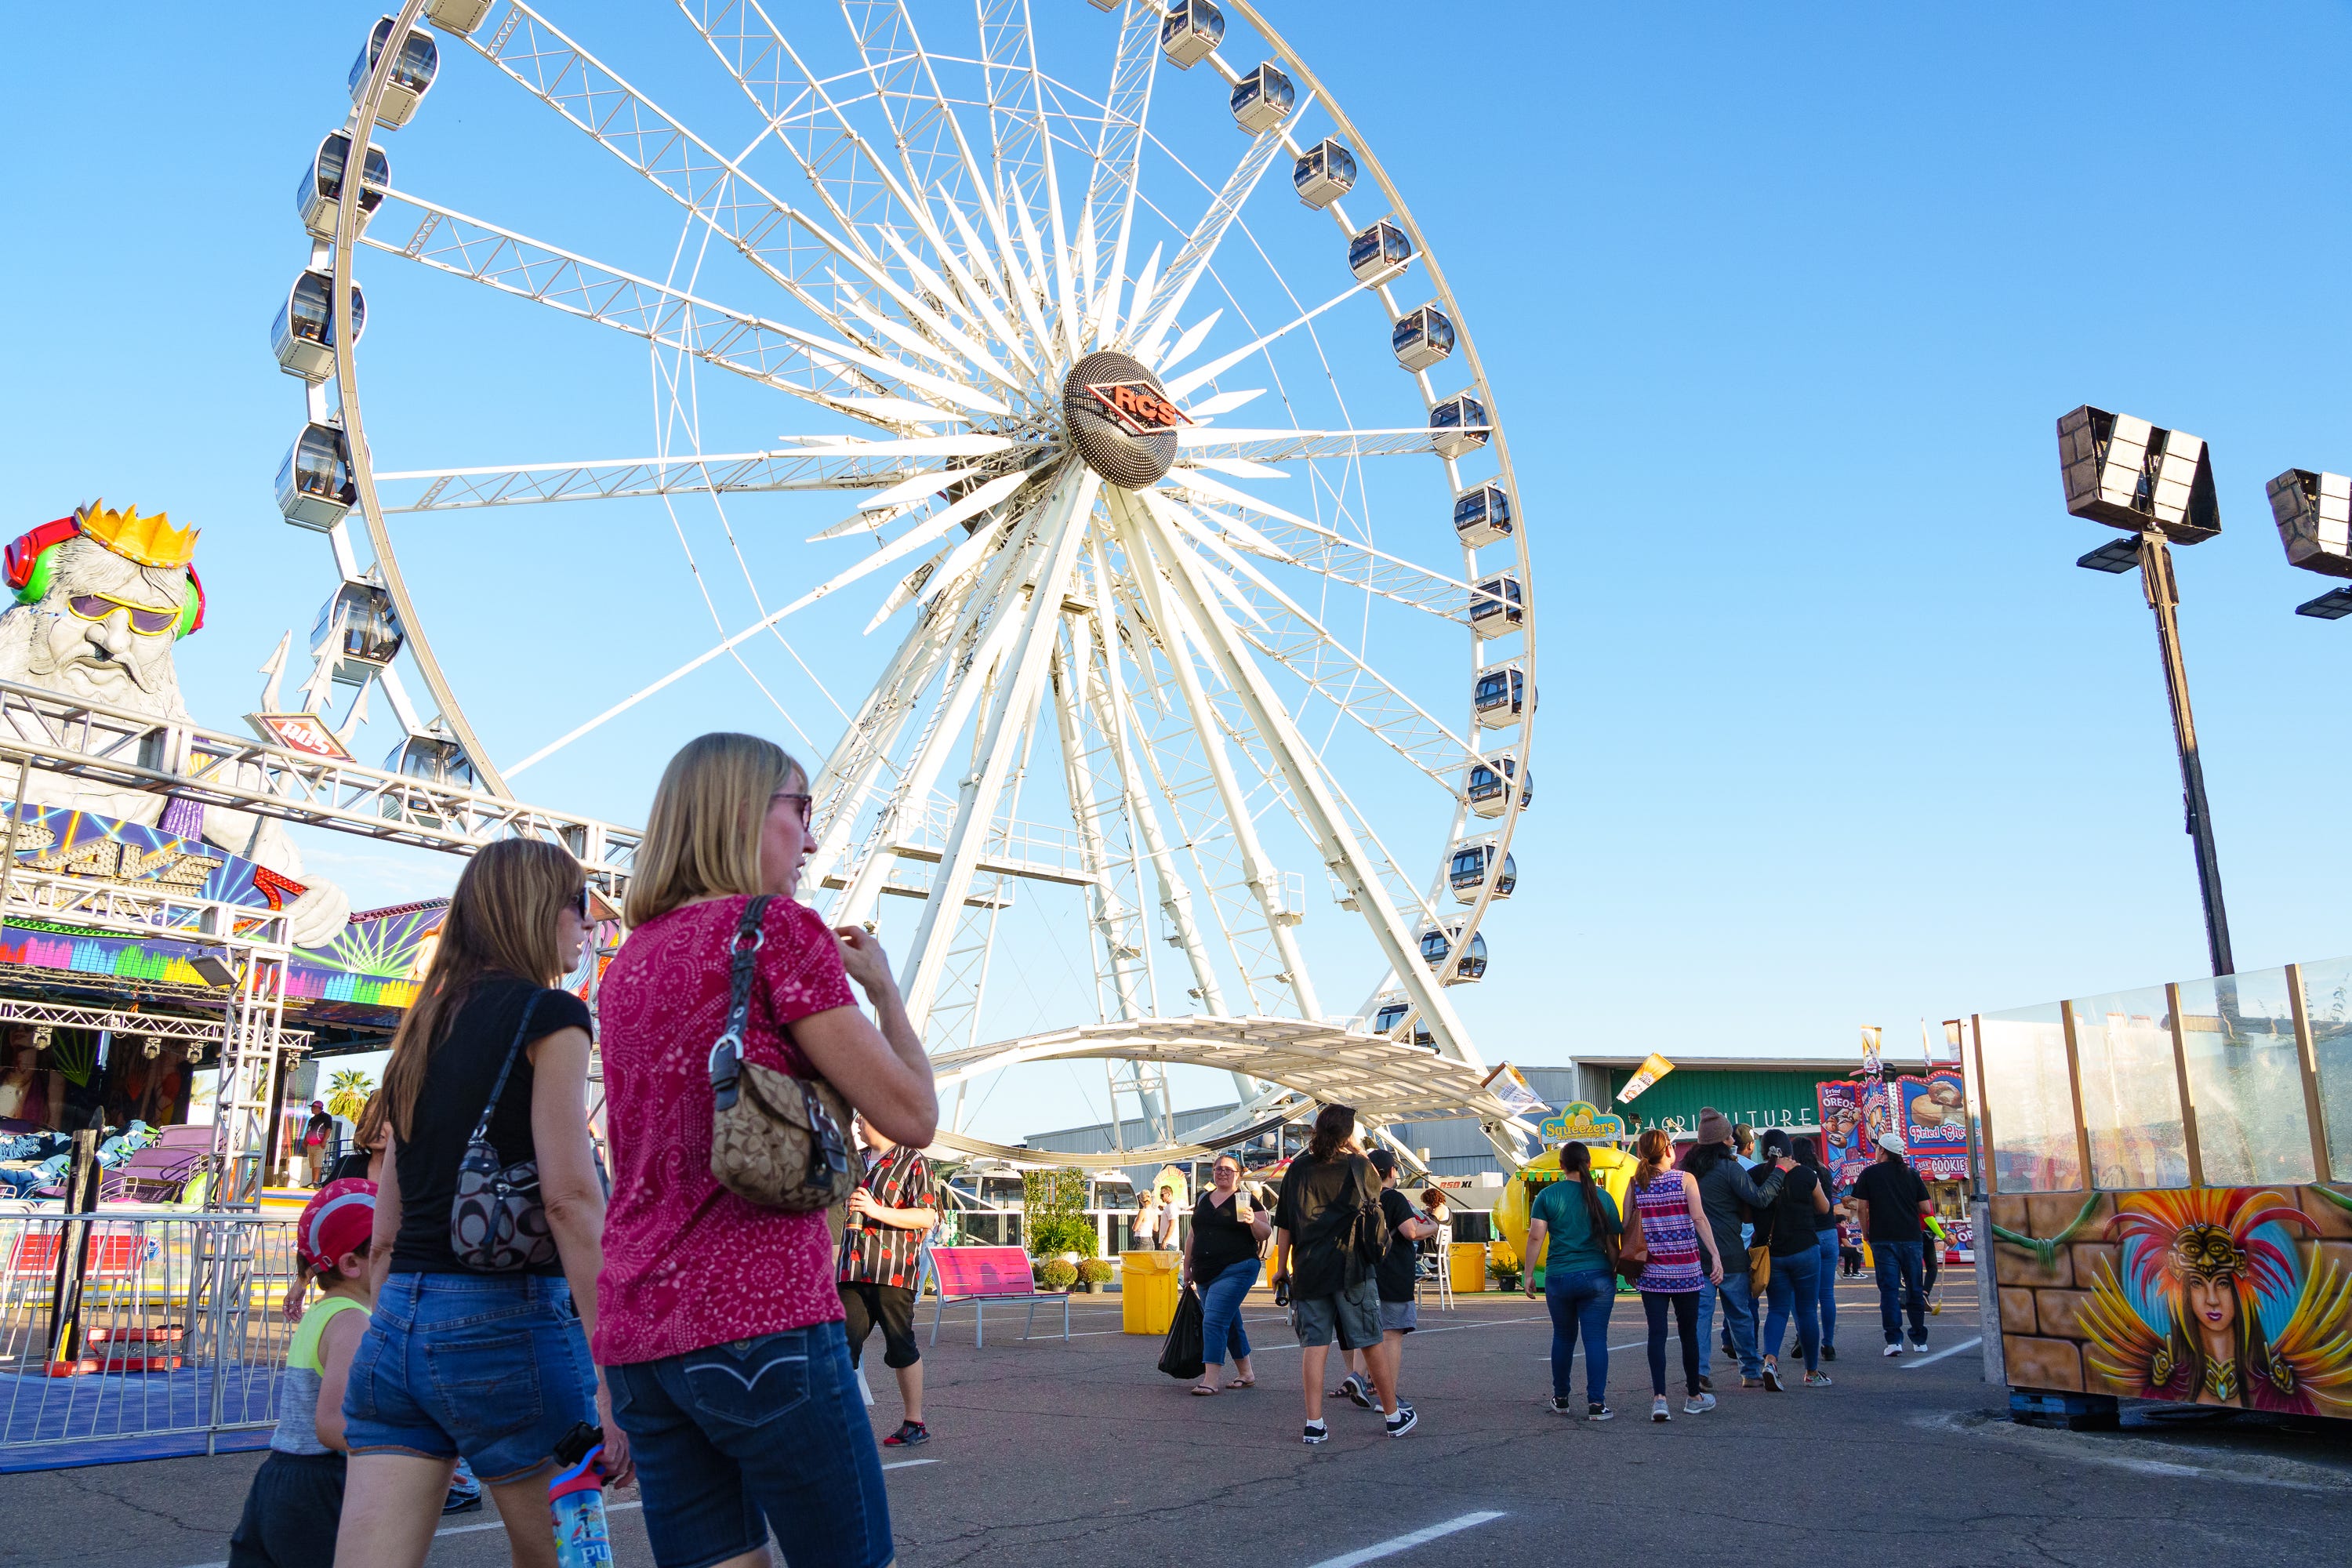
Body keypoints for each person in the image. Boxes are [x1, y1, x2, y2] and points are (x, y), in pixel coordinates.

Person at [594, 733, 938, 1568]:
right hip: (763, 1318)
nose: (812, 839)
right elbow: (912, 1114)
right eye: (802, 809)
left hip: (643, 1330)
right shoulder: (774, 932)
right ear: (744, 812)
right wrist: (884, 989)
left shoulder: (628, 961)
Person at [336, 840, 628, 1568]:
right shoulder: (551, 1015)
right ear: (539, 912)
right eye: (579, 906)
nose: (586, 927)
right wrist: (609, 1370)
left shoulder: (424, 1025)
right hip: (510, 1326)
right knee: (568, 1560)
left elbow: (386, 1227)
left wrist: (403, 1310)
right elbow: (567, 1197)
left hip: (397, 1322)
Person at [230, 1180, 376, 1568]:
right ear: (351, 1263)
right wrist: (408, 1450)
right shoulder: (352, 1323)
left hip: (279, 1478)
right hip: (318, 1485)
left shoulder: (323, 1311)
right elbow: (331, 1425)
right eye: (393, 1247)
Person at [1272, 1104, 1413, 1442]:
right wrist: (1358, 1151)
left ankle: (1314, 1423)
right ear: (1348, 1134)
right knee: (1370, 1341)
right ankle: (1393, 1415)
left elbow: (1286, 1225)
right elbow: (1374, 1200)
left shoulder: (1298, 1169)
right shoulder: (1359, 1165)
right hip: (1352, 1268)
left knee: (1315, 1345)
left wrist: (1281, 1269)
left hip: (1308, 1270)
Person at [839, 1111, 938, 1449]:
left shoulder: (913, 1160)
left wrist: (876, 1210)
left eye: (862, 1117)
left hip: (892, 1270)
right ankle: (839, 1425)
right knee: (839, 1346)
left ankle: (915, 1422)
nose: (857, 1124)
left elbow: (927, 1215)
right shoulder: (855, 1161)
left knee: (900, 1344)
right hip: (852, 1269)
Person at [1683, 1109, 1784, 1391]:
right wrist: (1780, 1173)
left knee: (1700, 1317)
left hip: (1696, 1255)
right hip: (1729, 1253)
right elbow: (1760, 1199)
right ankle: (1750, 1372)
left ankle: (1699, 1372)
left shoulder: (1686, 1171)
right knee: (1739, 1314)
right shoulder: (1730, 1169)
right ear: (1724, 1141)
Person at [1523, 1139, 1621, 1421]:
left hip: (1559, 1278)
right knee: (1596, 1340)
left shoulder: (1547, 1196)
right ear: (1589, 1164)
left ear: (1561, 1166)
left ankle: (1562, 1398)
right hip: (1598, 1277)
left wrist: (1529, 1274)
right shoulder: (1603, 1197)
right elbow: (1613, 1243)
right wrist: (1612, 1272)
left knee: (1564, 1337)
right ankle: (1597, 1404)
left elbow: (1536, 1236)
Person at [1630, 1127, 1722, 1421]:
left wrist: (1629, 1265)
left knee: (1656, 1334)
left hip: (1651, 1273)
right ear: (1669, 1150)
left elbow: (1626, 1225)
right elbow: (1699, 1218)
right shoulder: (1685, 1179)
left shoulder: (1635, 1184)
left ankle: (1659, 1399)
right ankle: (1694, 1395)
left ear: (1641, 1153)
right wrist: (1716, 1255)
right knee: (1689, 1334)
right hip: (1686, 1270)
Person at [1336, 1149, 1438, 1410]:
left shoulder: (1354, 1197)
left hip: (1361, 1273)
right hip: (1393, 1273)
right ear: (1392, 1172)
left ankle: (1358, 1376)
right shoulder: (1394, 1198)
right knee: (1392, 1335)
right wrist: (1433, 1226)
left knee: (1367, 1332)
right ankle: (1387, 1396)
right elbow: (1411, 1231)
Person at [1181, 1153, 1269, 1394]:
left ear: (1238, 1175)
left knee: (1214, 1320)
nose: (1222, 1173)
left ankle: (1210, 1380)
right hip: (1205, 1272)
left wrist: (1252, 1221)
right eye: (1218, 1169)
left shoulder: (1247, 1199)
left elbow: (1265, 1233)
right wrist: (1187, 1265)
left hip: (1238, 1267)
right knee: (1229, 1322)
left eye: (1228, 1170)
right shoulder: (1203, 1198)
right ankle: (1246, 1373)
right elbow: (1193, 1235)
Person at [1754, 1129, 1832, 1389]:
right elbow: (1824, 1208)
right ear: (1789, 1149)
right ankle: (1811, 1372)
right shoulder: (1806, 1174)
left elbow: (1745, 1213)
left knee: (1776, 1309)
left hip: (1772, 1253)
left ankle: (1771, 1362)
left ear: (1763, 1150)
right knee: (1808, 1310)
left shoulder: (1755, 1175)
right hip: (1806, 1249)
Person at [1853, 1131, 1933, 1356]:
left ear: (1883, 1151)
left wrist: (1865, 1232)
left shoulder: (1870, 1173)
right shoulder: (1912, 1174)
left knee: (1889, 1290)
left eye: (1878, 1148)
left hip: (1882, 1238)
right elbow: (1926, 1209)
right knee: (1915, 1288)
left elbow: (1861, 1207)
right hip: (1910, 1237)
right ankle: (1919, 1340)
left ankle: (1894, 1341)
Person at [1794, 1137, 1842, 1360]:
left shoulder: (1796, 1173)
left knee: (1804, 1296)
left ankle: (1804, 1337)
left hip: (1807, 1236)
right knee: (1827, 1294)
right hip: (1830, 1234)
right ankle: (1828, 1344)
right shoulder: (1823, 1171)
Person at [328, 1092, 387, 1185]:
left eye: (387, 1119)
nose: (376, 1126)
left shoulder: (414, 1174)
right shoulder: (347, 1165)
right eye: (371, 1118)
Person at [301, 1101, 335, 1187]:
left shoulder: (326, 1117)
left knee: (317, 1161)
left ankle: (315, 1181)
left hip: (319, 1143)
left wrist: (324, 1141)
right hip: (311, 1144)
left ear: (318, 1108)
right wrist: (305, 1141)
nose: (312, 1109)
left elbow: (328, 1129)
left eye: (313, 1107)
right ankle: (313, 1181)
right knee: (313, 1163)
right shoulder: (312, 1119)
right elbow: (309, 1130)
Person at [1134, 1188, 1162, 1252]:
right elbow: (1156, 1229)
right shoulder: (1154, 1212)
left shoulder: (1142, 1211)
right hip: (1150, 1241)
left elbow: (1135, 1228)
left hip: (1142, 1239)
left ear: (1140, 1200)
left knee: (1137, 1260)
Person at [1153, 1184, 1180, 1249]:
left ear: (1169, 1194)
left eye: (1162, 1195)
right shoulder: (1169, 1206)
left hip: (1169, 1243)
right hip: (1168, 1242)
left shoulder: (1171, 1206)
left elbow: (1172, 1224)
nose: (1161, 1197)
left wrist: (1165, 1240)